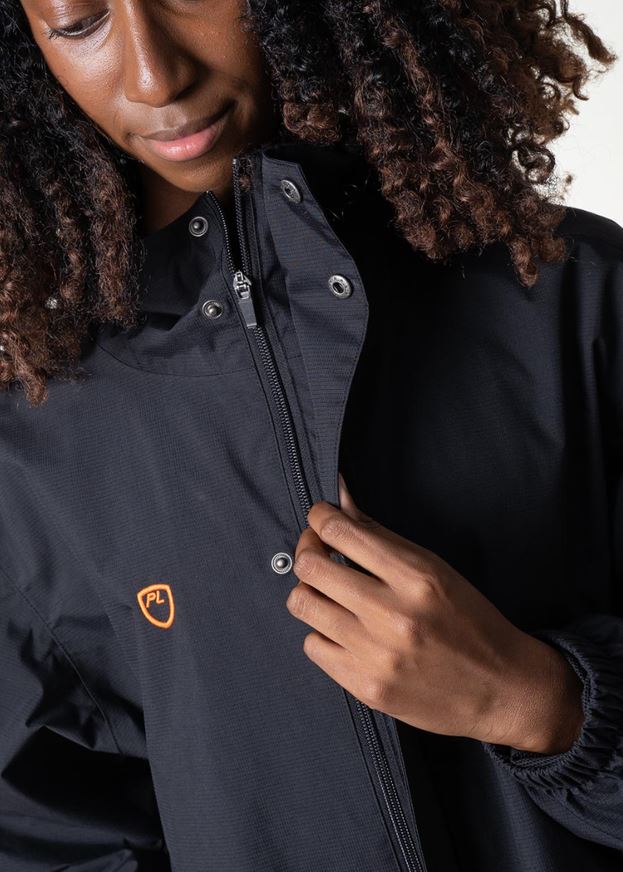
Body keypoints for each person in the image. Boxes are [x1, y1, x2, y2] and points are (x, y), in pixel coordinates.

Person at [0, 1, 621, 870]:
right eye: (78, 24)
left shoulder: (578, 302)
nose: (154, 76)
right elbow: (48, 833)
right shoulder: (38, 443)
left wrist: (535, 706)